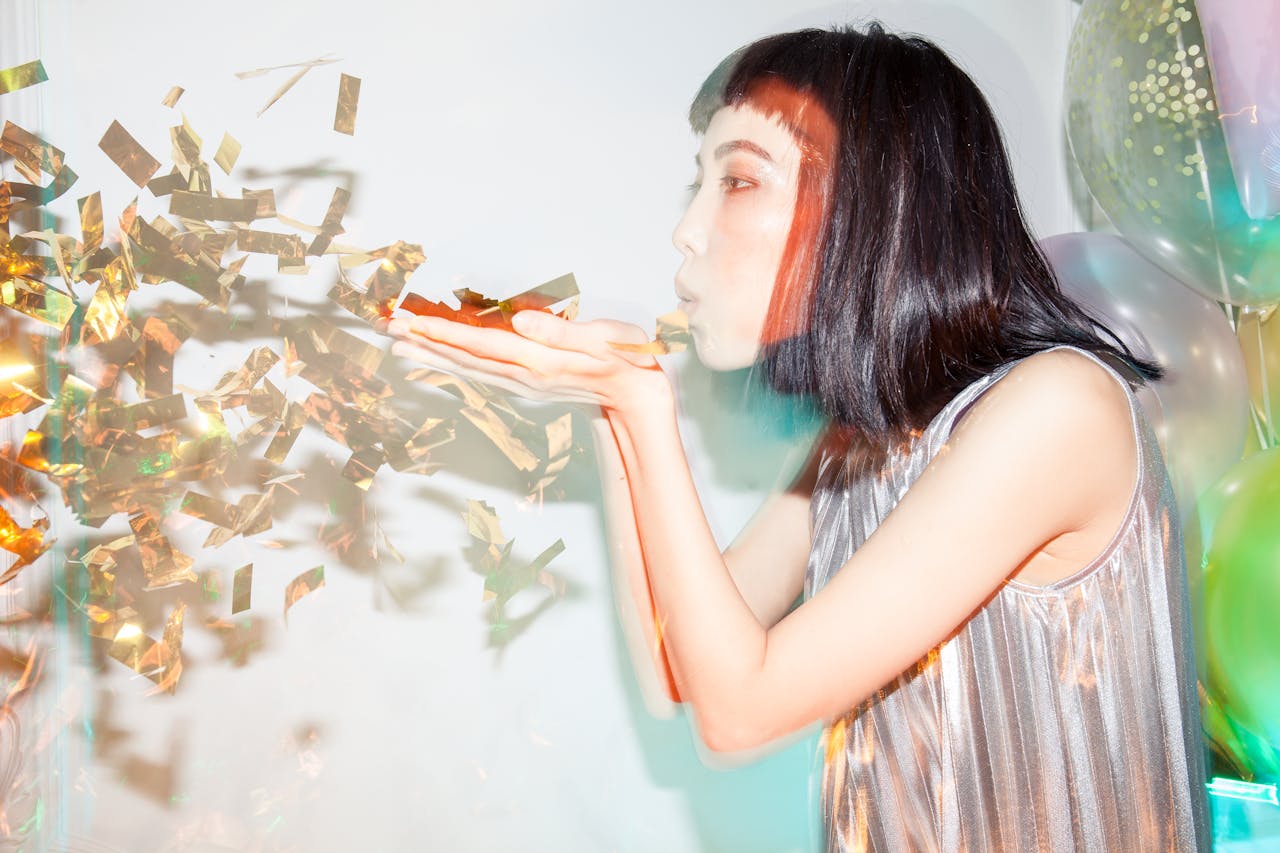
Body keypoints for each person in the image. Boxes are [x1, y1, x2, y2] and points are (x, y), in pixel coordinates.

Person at [384, 22, 1210, 852]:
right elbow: (679, 675)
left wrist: (639, 405)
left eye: (739, 180)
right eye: (701, 183)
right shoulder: (856, 445)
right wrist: (612, 407)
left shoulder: (1058, 407)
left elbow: (740, 713)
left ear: (872, 207)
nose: (687, 229)